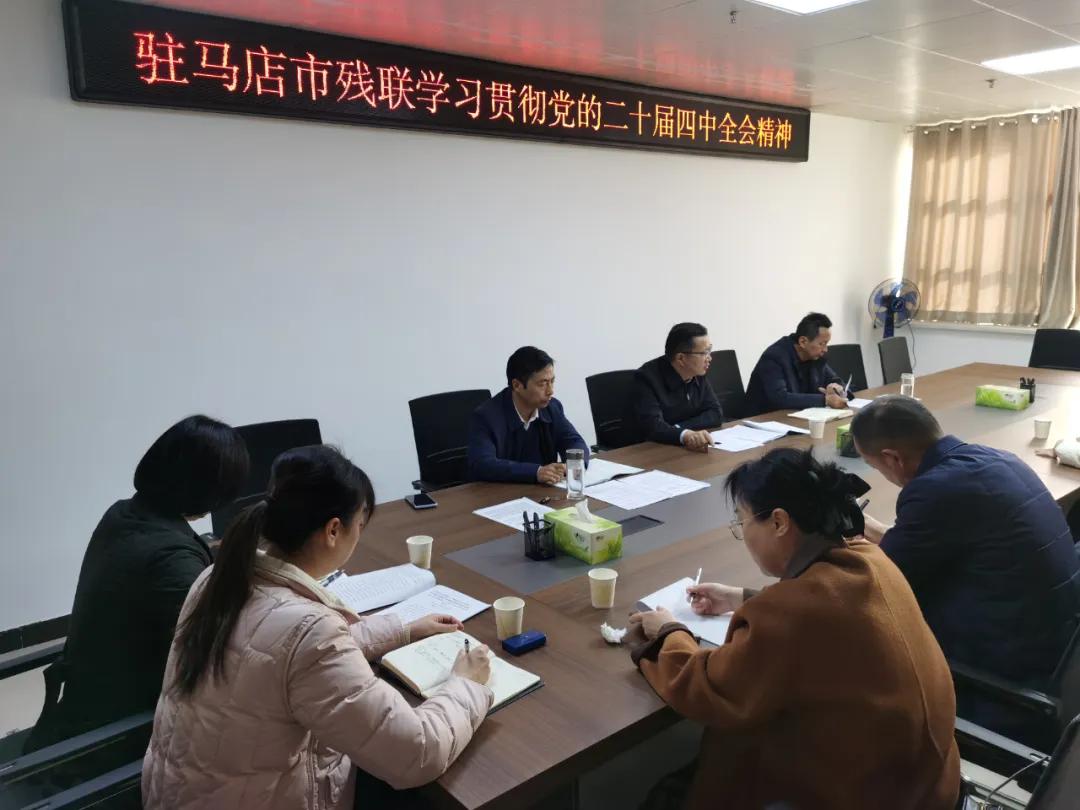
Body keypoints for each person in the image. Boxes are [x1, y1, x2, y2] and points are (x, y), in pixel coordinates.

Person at [142, 445, 493, 809]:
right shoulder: (309, 629)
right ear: (333, 530)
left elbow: (278, 651)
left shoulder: (217, 578)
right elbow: (417, 754)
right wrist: (465, 683)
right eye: (360, 526)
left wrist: (402, 629)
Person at [628, 448, 960, 810]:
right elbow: (826, 611)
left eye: (741, 522)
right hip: (927, 784)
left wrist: (668, 633)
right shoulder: (868, 557)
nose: (742, 533)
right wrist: (740, 597)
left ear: (779, 522)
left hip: (863, 795)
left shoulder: (794, 614)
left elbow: (709, 688)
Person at [852, 396, 1080, 746]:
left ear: (892, 458)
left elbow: (883, 584)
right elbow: (920, 542)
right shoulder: (997, 460)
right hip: (1057, 650)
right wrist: (863, 525)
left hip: (1006, 674)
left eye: (875, 466)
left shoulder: (933, 491)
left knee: (857, 640)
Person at [25, 415, 250, 752]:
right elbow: (217, 661)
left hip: (83, 706)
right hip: (124, 737)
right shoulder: (173, 559)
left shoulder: (123, 514)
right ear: (208, 492)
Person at [467, 346, 589, 484]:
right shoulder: (486, 417)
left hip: (543, 492)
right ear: (517, 385)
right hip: (499, 493)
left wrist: (571, 466)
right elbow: (483, 464)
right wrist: (536, 472)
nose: (550, 391)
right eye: (542, 384)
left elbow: (574, 442)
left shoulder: (551, 407)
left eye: (552, 381)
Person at [627, 323, 723, 452]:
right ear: (681, 358)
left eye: (709, 350)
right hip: (645, 451)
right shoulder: (646, 378)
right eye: (704, 353)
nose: (709, 358)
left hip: (679, 448)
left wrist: (680, 428)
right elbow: (653, 427)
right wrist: (685, 434)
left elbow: (715, 413)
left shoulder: (697, 372)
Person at [744, 312, 851, 415]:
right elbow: (780, 398)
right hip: (764, 420)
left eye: (826, 344)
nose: (825, 349)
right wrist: (825, 400)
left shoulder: (815, 356)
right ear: (803, 342)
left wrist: (837, 389)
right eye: (821, 344)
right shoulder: (774, 357)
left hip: (799, 416)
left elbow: (835, 380)